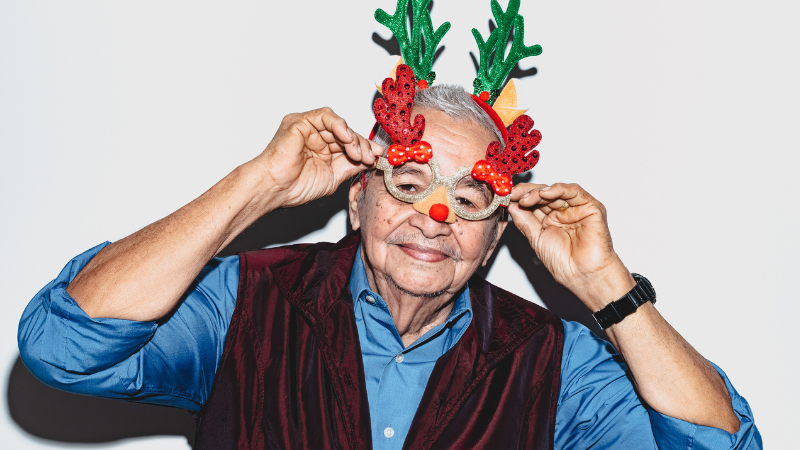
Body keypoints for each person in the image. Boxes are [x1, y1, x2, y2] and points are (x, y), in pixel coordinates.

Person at [18, 82, 760, 448]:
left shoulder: (551, 362)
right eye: (408, 184)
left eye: (470, 198)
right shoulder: (246, 303)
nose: (434, 219)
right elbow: (62, 347)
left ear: (496, 232)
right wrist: (258, 186)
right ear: (358, 199)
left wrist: (606, 285)